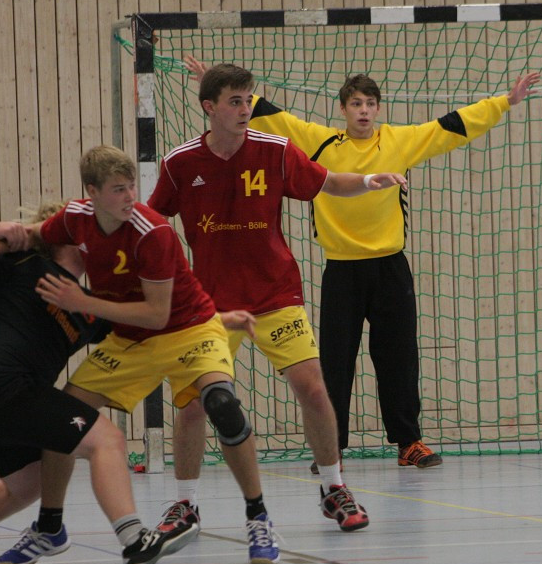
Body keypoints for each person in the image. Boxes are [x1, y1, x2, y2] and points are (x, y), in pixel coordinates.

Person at [185, 55, 539, 469]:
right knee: (334, 361)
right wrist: (214, 81)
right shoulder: (320, 141)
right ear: (343, 110)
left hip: (390, 267)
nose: (364, 111)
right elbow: (270, 115)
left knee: (399, 356)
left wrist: (505, 102)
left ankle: (409, 442)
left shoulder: (398, 141)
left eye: (370, 104)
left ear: (378, 109)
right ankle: (332, 446)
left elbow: (451, 127)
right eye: (356, 104)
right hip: (341, 270)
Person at [0, 145, 283, 564]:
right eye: (117, 189)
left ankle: (258, 516)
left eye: (131, 187)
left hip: (188, 329)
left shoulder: (153, 231)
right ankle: (50, 526)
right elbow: (36, 236)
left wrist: (82, 302)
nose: (130, 197)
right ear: (91, 192)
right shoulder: (76, 218)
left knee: (222, 404)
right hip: (130, 342)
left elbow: (157, 314)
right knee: (60, 420)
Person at [147, 63, 408, 533]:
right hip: (210, 306)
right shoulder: (180, 163)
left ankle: (333, 488)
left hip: (275, 295)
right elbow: (152, 220)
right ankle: (184, 503)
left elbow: (329, 182)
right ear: (209, 107)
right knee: (191, 403)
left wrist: (371, 181)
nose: (246, 108)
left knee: (313, 387)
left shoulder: (277, 150)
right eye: (234, 101)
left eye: (249, 99)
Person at [0, 203, 197, 564]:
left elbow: (152, 324)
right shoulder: (23, 264)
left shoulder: (88, 306)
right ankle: (134, 539)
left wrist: (220, 319)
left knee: (28, 485)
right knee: (107, 440)